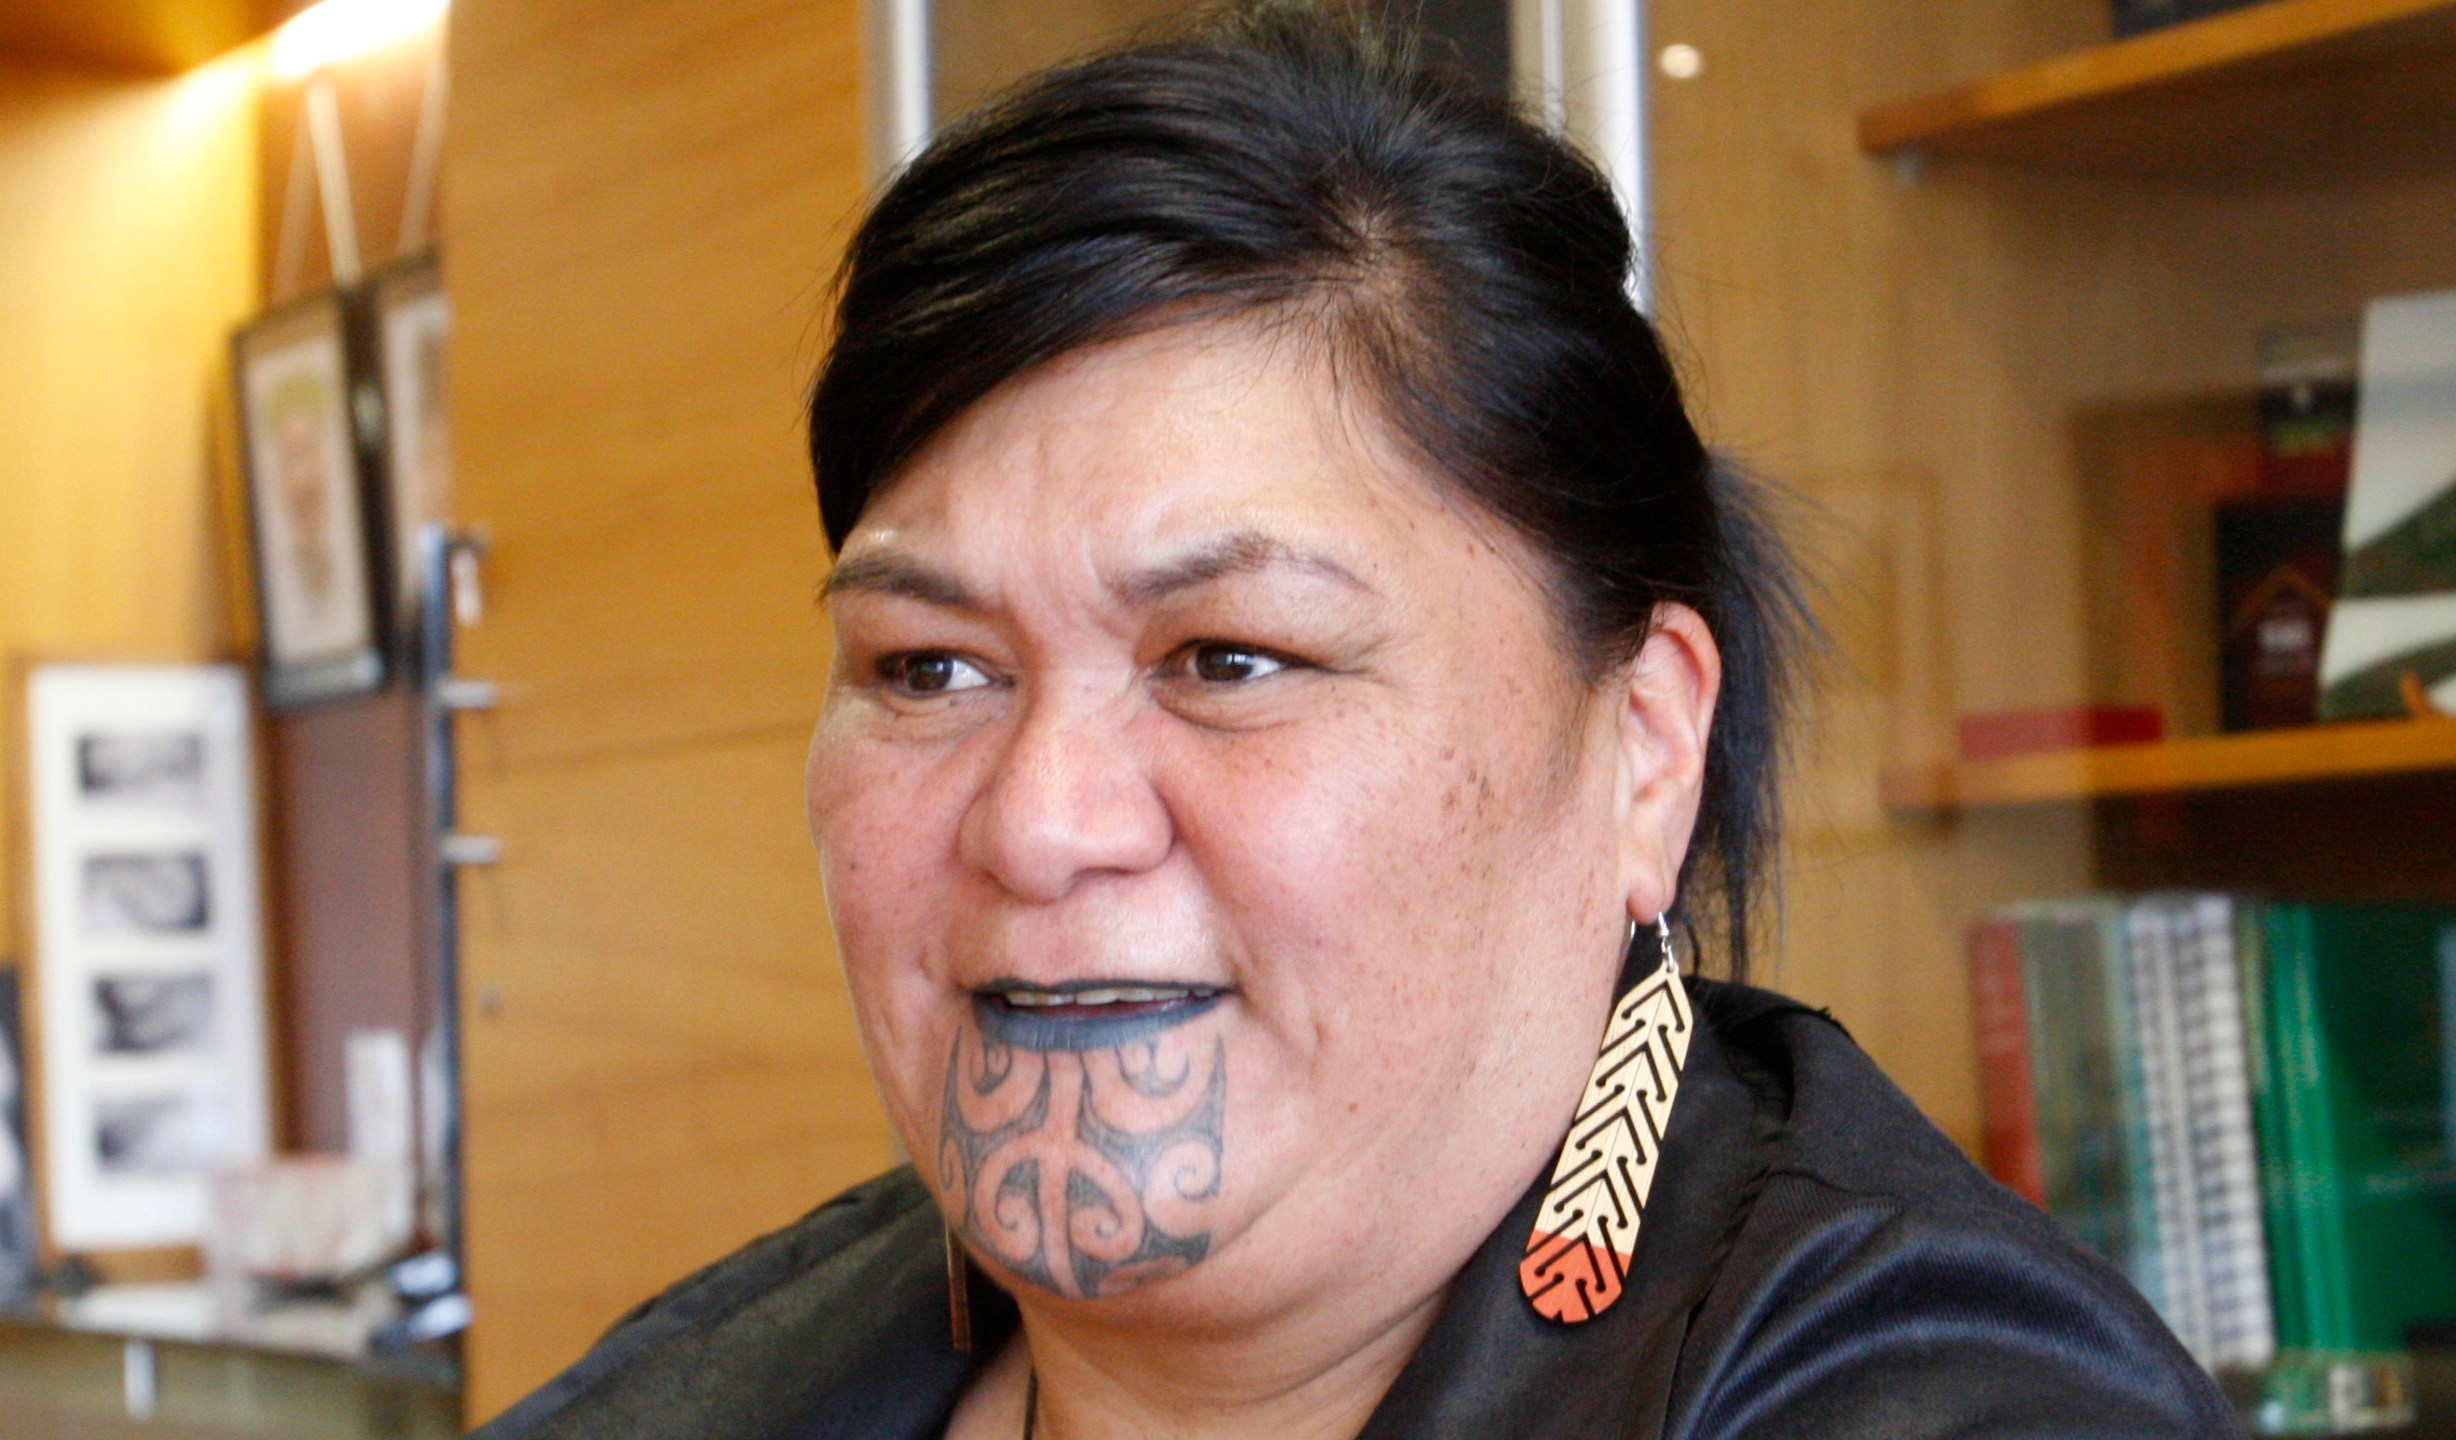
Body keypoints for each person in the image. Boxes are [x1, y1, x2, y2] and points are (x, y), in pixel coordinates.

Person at [473, 7, 2242, 1437]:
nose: (1036, 820)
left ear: (1640, 748)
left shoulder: (1949, 1403)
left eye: (1228, 658)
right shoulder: (695, 1390)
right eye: (929, 669)